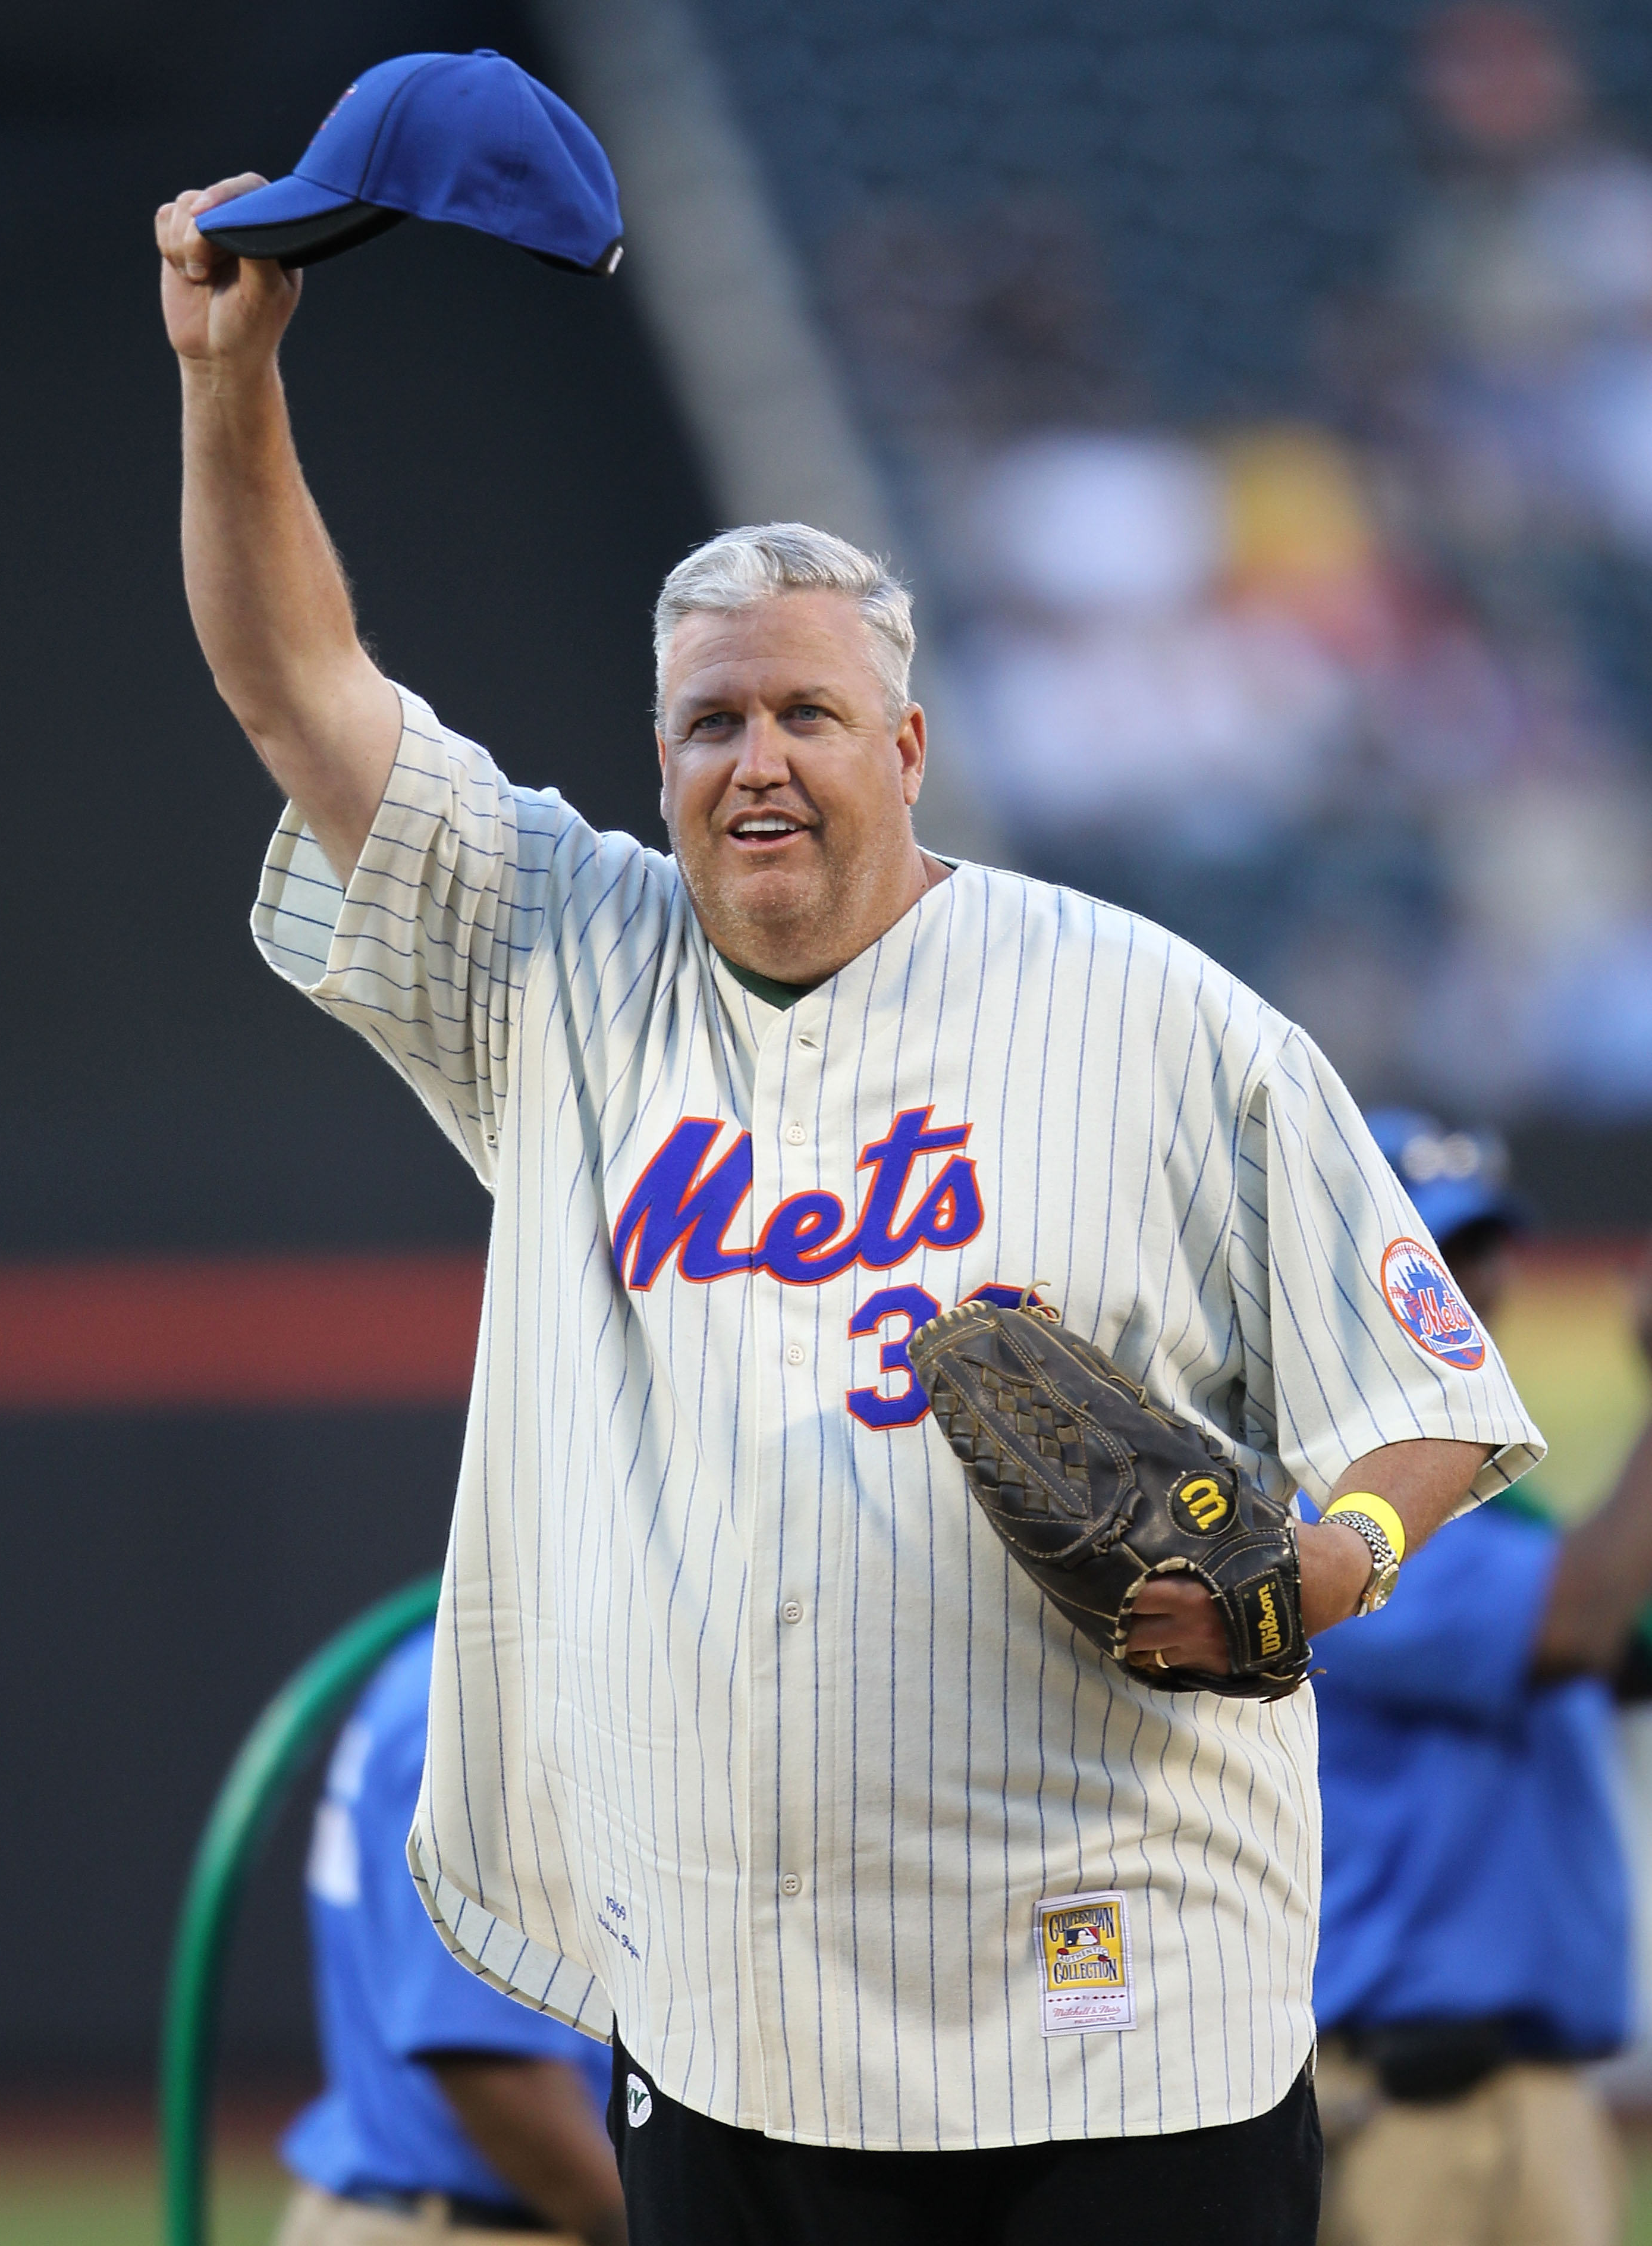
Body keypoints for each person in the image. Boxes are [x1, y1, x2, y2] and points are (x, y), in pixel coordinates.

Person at [157, 170, 1544, 2246]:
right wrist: (231, 376)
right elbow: (299, 688)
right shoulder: (567, 964)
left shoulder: (1160, 1014)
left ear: (906, 742)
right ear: (656, 754)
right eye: (713, 719)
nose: (759, 758)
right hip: (736, 2012)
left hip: (1127, 2007)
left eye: (808, 711)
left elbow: (1422, 1378)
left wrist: (1335, 1557)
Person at [1312, 1111, 1652, 2246]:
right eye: (1438, 1258)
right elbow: (1582, 1621)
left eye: (1481, 1253)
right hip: (1403, 2113)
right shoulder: (1333, 1516)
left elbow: (1618, 1639)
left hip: (1545, 2096)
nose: (1474, 1288)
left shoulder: (1511, 1520)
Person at [278, 1621, 627, 2246]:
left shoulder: (458, 1662)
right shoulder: (495, 1692)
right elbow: (487, 2062)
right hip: (475, 2220)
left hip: (418, 2206)